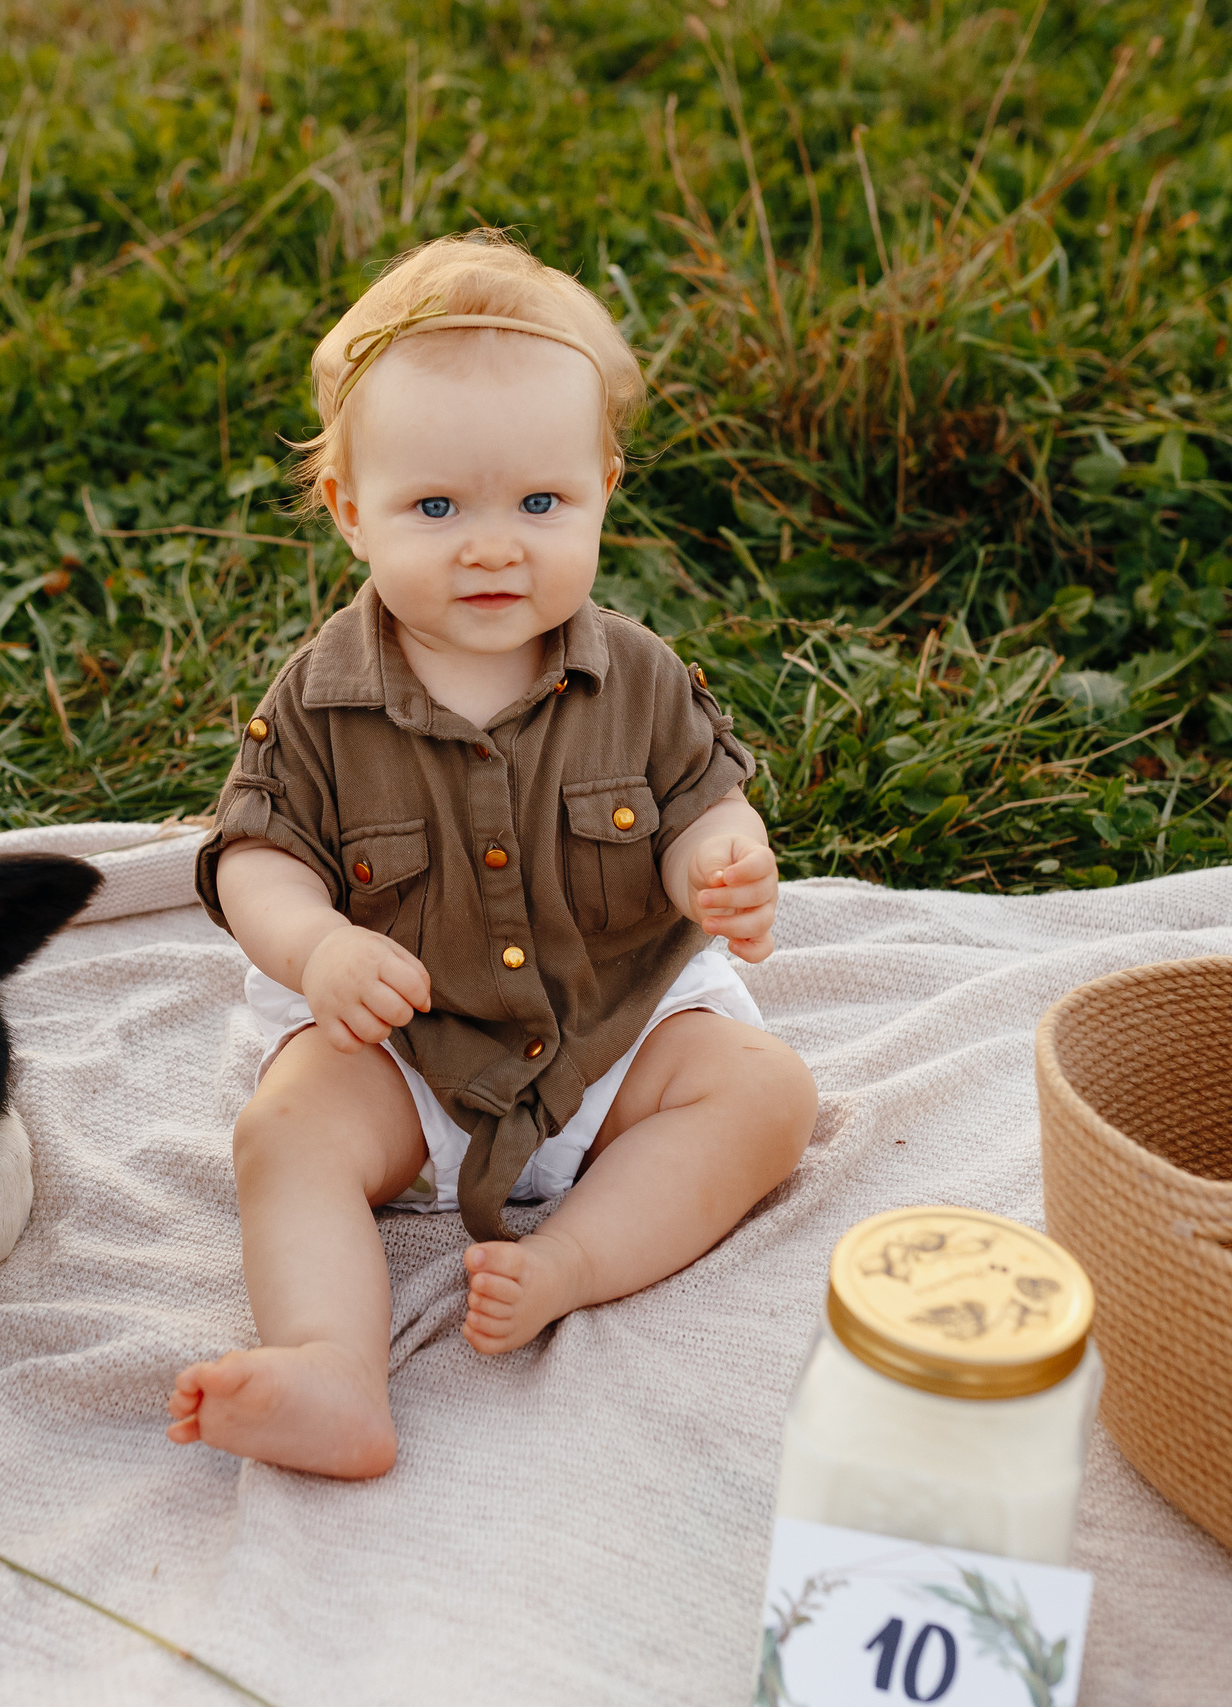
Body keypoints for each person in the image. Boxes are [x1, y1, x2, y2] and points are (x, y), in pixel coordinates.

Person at [165, 231, 819, 1478]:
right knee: (285, 1133)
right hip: (404, 1060)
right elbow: (254, 854)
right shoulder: (319, 699)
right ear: (349, 513)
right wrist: (318, 946)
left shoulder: (636, 677)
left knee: (763, 1091)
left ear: (602, 489)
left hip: (612, 1040)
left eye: (538, 504)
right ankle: (331, 1366)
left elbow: (701, 806)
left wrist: (721, 866)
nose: (491, 546)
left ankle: (572, 1259)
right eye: (434, 508)